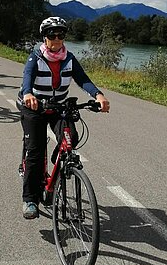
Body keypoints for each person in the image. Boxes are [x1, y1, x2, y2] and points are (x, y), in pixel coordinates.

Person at [17, 16, 110, 219]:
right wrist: (28, 94)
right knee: (35, 150)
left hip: (58, 106)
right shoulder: (35, 57)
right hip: (35, 107)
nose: (57, 38)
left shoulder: (69, 58)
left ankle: (58, 167)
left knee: (71, 138)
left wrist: (98, 95)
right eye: (52, 34)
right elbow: (27, 78)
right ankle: (30, 199)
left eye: (61, 34)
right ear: (45, 37)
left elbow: (83, 79)